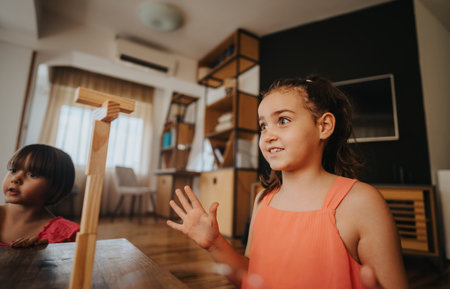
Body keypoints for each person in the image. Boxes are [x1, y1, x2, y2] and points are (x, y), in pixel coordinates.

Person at [167, 75, 409, 289]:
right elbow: (252, 275)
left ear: (323, 126)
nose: (268, 135)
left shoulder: (361, 203)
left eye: (283, 120)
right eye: (263, 125)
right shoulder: (263, 200)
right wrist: (214, 244)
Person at [0, 144, 80, 248]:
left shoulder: (69, 235)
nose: (15, 179)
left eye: (32, 175)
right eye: (13, 171)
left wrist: (41, 256)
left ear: (55, 187)